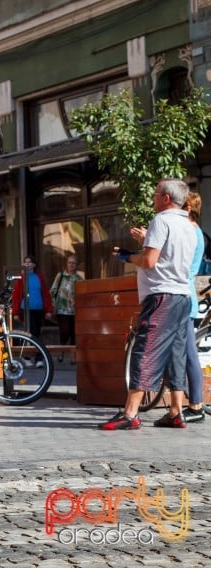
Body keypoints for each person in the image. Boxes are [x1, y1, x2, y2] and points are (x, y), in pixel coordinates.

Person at [101, 178, 195, 431]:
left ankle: (130, 414)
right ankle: (176, 411)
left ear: (166, 198)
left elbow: (151, 261)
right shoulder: (189, 225)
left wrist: (126, 256)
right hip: (181, 296)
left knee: (145, 351)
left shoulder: (161, 221)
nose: (152, 198)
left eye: (155, 194)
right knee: (176, 354)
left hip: (160, 297)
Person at [180, 191, 205, 423]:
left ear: (188, 208)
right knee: (186, 354)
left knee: (189, 355)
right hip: (185, 297)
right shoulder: (193, 230)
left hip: (184, 298)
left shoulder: (192, 231)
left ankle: (196, 406)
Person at [11, 255, 53, 343]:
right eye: (25, 262)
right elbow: (16, 296)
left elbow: (45, 294)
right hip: (26, 309)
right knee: (31, 331)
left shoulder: (39, 277)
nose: (27, 264)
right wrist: (16, 313)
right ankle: (32, 352)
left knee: (37, 331)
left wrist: (49, 310)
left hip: (39, 309)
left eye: (29, 262)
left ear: (34, 264)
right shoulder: (21, 277)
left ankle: (36, 353)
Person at [49, 256, 82, 346]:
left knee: (74, 334)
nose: (71, 265)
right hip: (62, 309)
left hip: (75, 310)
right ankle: (62, 351)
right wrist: (52, 305)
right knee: (64, 332)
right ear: (66, 264)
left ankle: (72, 357)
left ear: (76, 265)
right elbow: (53, 290)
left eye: (73, 263)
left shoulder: (79, 279)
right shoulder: (61, 276)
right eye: (69, 263)